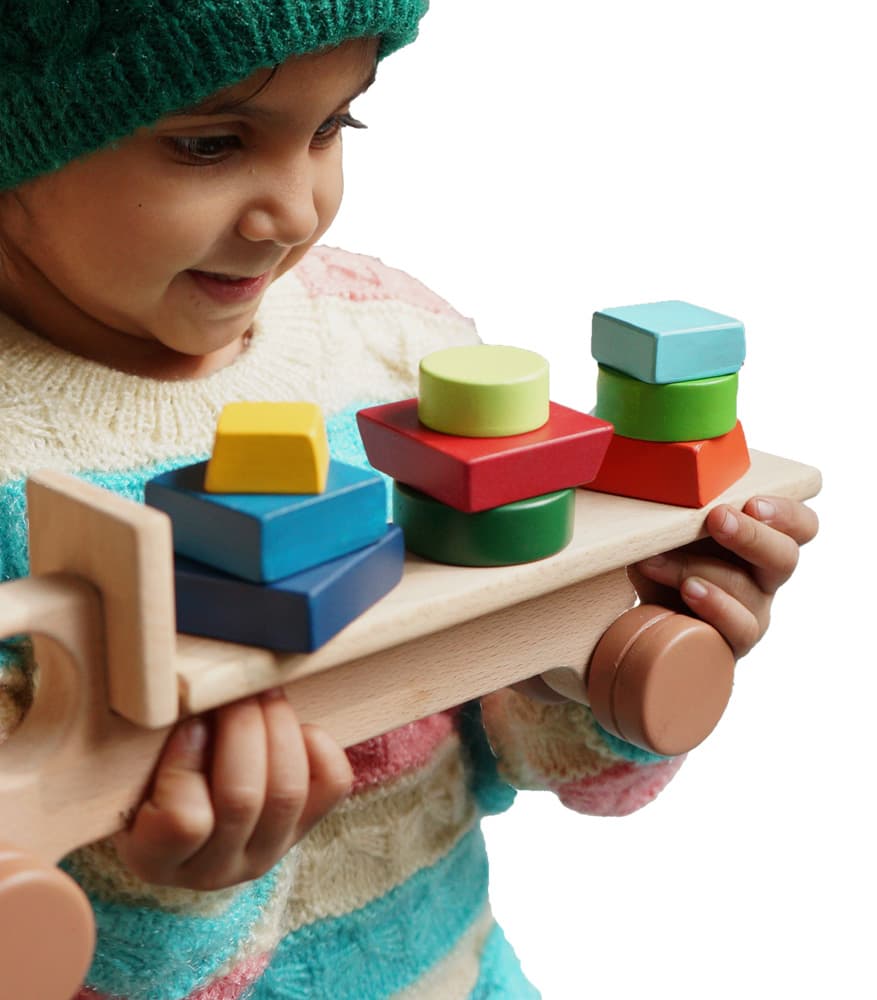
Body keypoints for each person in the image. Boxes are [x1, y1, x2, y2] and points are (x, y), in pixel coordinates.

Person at [0, 2, 819, 997]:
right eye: (210, 143)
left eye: (332, 127)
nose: (295, 210)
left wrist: (627, 651)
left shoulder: (393, 344)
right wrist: (168, 890)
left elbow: (503, 738)